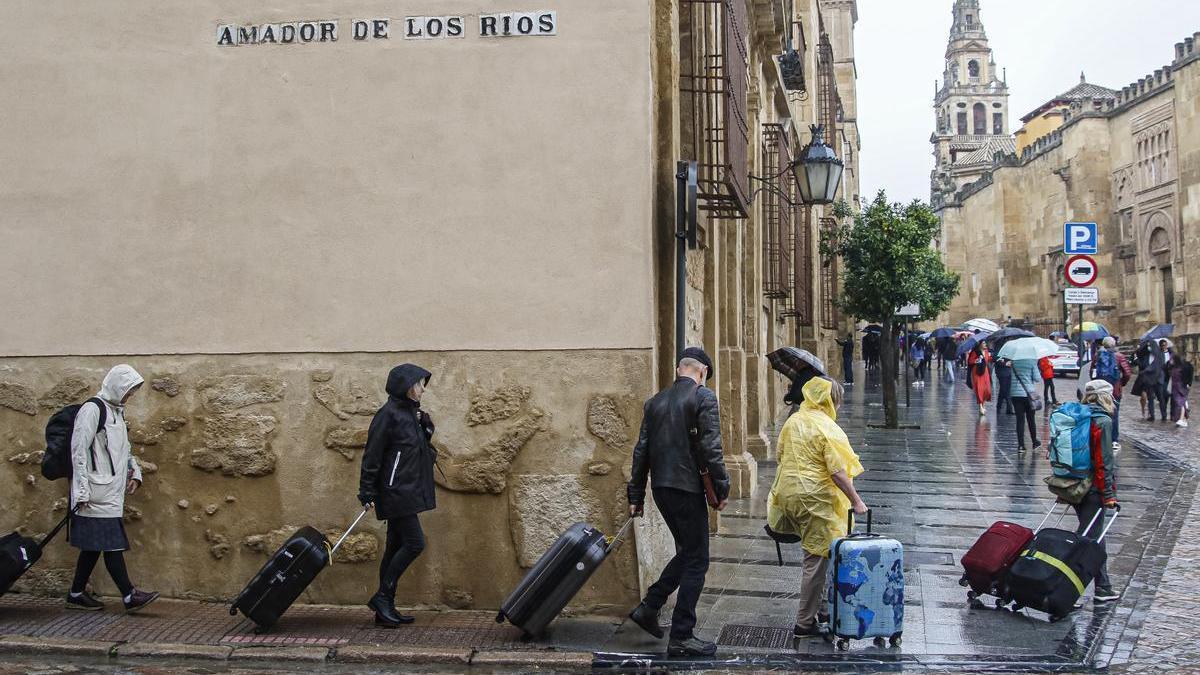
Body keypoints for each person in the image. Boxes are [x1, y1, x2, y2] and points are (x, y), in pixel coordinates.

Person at [627, 348, 730, 658]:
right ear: (701, 373)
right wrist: (722, 488)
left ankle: (650, 607)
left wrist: (636, 495)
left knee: (688, 552)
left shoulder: (655, 402)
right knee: (698, 559)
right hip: (686, 488)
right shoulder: (703, 398)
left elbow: (640, 451)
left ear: (678, 370)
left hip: (661, 487)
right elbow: (711, 447)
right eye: (705, 377)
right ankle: (682, 634)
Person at [766, 377, 866, 639]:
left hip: (788, 494)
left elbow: (780, 455)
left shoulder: (794, 421)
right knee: (816, 559)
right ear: (831, 401)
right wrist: (856, 500)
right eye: (839, 401)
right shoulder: (827, 428)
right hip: (815, 500)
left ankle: (823, 609)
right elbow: (837, 471)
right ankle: (804, 622)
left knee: (822, 554)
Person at [66, 365, 159, 613]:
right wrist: (82, 491)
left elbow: (124, 451)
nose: (130, 396)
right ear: (117, 386)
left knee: (94, 546)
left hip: (111, 491)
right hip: (95, 492)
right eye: (128, 390)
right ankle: (129, 595)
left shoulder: (117, 413)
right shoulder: (92, 410)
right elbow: (78, 451)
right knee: (112, 543)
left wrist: (135, 473)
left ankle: (75, 593)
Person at [358, 364, 437, 627]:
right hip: (395, 491)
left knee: (393, 547)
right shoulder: (388, 415)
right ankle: (382, 597)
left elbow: (416, 451)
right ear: (406, 387)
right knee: (415, 543)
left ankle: (385, 608)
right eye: (419, 384)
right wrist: (366, 490)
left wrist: (426, 430)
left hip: (408, 489)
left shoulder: (411, 415)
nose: (423, 389)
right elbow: (373, 455)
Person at [1074, 380, 1120, 606]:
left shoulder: (1076, 415)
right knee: (1088, 541)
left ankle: (1103, 586)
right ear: (1105, 398)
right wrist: (1109, 493)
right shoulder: (1102, 420)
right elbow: (1104, 461)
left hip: (1074, 484)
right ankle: (1066, 587)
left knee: (1094, 538)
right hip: (1093, 488)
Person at [1091, 337, 1132, 447]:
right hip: (1115, 390)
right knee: (1114, 414)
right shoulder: (1119, 356)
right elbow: (1127, 373)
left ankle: (1101, 437)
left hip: (1100, 390)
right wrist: (1121, 383)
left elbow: (1092, 372)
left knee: (1101, 412)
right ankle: (1114, 440)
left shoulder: (1097, 355)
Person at [1009, 355, 1043, 453]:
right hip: (1029, 394)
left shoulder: (1014, 361)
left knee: (1020, 420)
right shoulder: (1032, 362)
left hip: (1015, 394)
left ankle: (1021, 445)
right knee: (1031, 419)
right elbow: (1037, 378)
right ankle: (1034, 442)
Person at [1132, 341, 1164, 420]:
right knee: (1146, 396)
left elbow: (1161, 366)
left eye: (1150, 345)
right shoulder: (1144, 355)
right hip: (1145, 379)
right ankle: (1148, 413)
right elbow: (1138, 363)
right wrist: (1135, 357)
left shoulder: (1159, 355)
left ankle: (1163, 415)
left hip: (1156, 379)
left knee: (1160, 397)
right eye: (1148, 345)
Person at [1164, 344, 1193, 428]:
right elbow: (1166, 369)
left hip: (1182, 387)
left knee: (1181, 402)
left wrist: (1188, 384)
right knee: (1179, 403)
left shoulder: (1184, 366)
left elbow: (1189, 375)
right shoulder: (1172, 367)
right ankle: (1183, 419)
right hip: (1175, 387)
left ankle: (1182, 419)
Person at [967, 342, 993, 415]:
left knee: (987, 389)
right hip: (977, 372)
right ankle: (980, 406)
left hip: (985, 372)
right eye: (984, 343)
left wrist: (992, 358)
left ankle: (983, 404)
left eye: (985, 343)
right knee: (979, 388)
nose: (985, 344)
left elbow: (988, 359)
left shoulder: (987, 351)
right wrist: (977, 360)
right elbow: (970, 361)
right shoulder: (975, 351)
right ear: (980, 344)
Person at [1157, 339, 1174, 422]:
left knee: (1169, 395)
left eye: (1165, 345)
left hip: (1170, 376)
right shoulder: (1158, 354)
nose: (1164, 346)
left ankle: (1172, 415)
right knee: (1162, 397)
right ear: (1160, 346)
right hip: (1161, 376)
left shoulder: (1171, 353)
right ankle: (1164, 415)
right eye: (1163, 345)